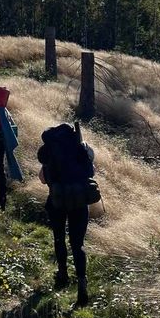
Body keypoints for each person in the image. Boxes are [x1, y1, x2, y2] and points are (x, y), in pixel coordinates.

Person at [37, 123, 96, 307]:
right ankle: (82, 284)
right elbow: (91, 171)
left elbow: (42, 178)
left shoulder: (49, 151)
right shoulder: (81, 147)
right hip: (79, 201)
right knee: (78, 245)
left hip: (57, 200)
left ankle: (62, 274)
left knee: (59, 238)